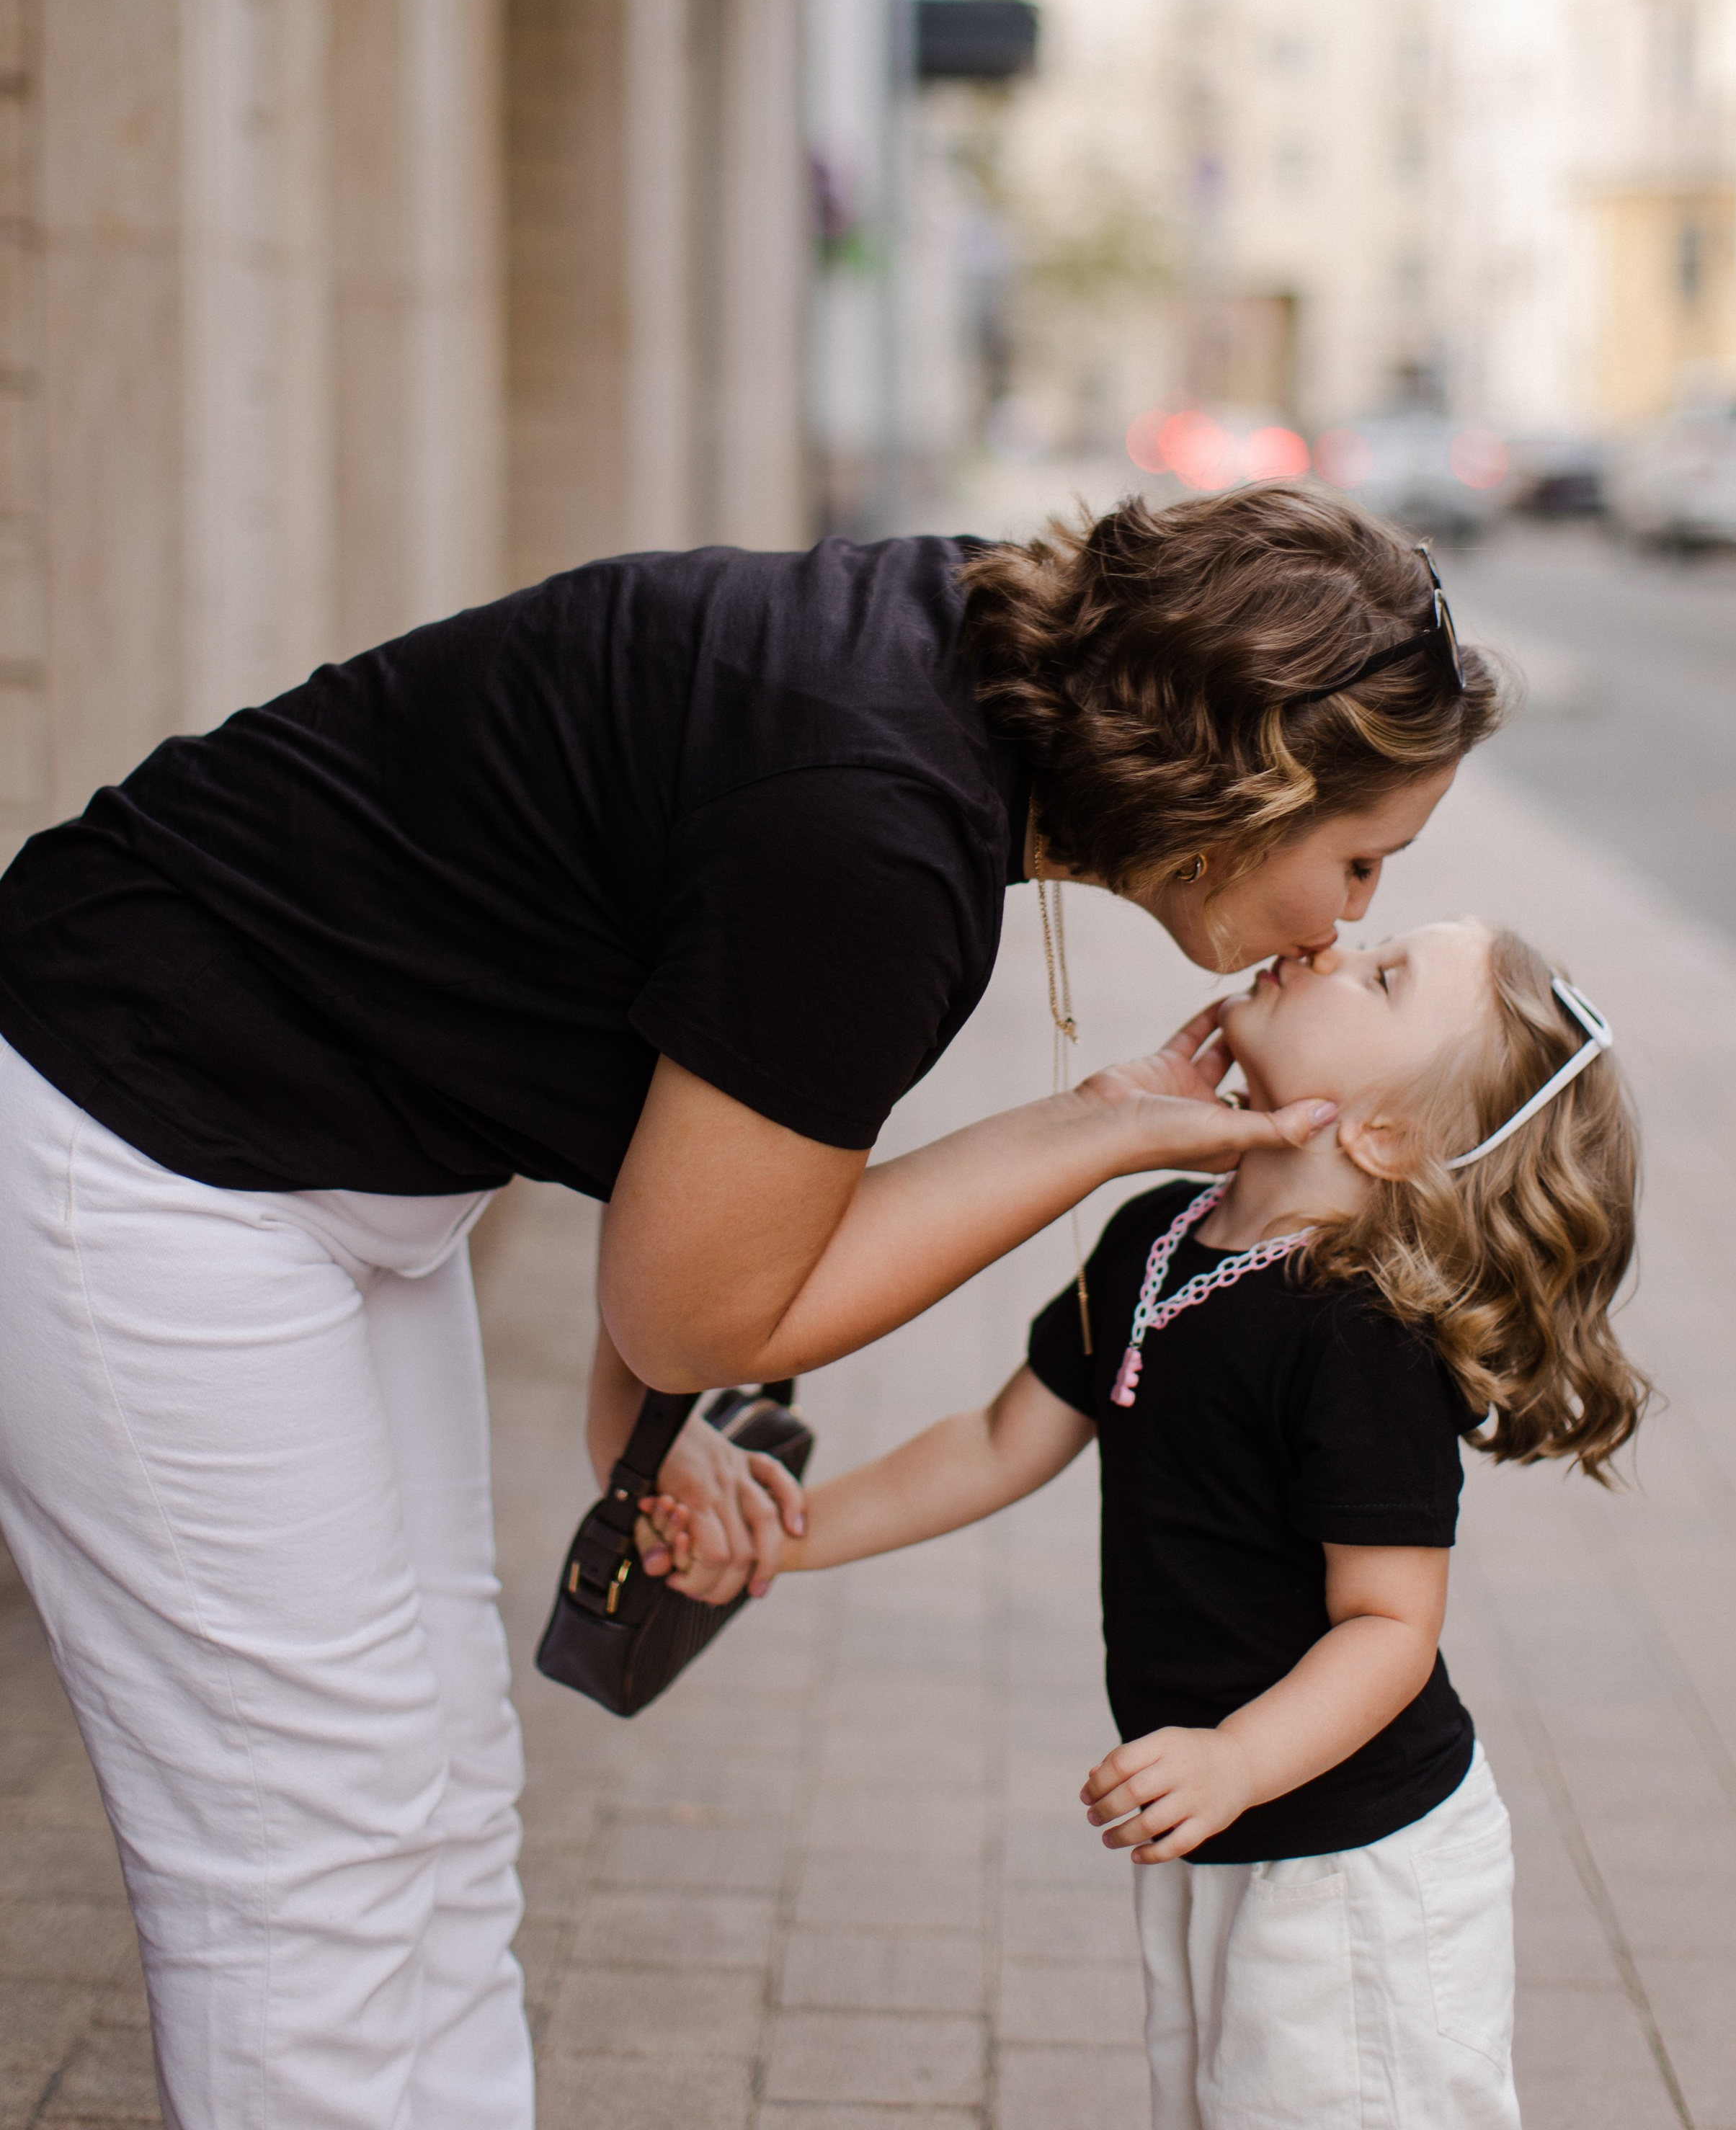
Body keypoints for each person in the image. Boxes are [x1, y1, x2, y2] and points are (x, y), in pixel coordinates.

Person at [0, 482, 1504, 2126]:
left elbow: (671, 1120)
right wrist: (1091, 1134)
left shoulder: (960, 681)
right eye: (1359, 859)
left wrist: (639, 1421)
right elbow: (703, 1312)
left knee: (432, 1789)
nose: (1346, 916)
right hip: (141, 1143)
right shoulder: (877, 820)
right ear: (1249, 776)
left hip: (322, 1172)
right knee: (310, 1848)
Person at [741, 918, 1648, 2129]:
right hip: (1225, 1830)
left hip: (1352, 1859)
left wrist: (1238, 1760)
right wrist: (787, 1536)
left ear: (1384, 1134)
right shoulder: (1156, 1236)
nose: (1328, 943)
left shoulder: (1357, 1335)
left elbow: (1390, 1625)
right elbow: (999, 1442)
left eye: (1381, 977)